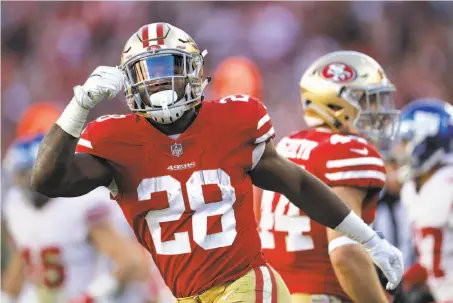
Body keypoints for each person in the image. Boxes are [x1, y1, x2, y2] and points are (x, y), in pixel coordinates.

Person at [30, 23, 403, 302]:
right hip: (187, 295)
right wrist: (79, 106)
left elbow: (299, 185)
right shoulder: (115, 141)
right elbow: (47, 179)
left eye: (169, 67)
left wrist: (368, 238)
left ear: (193, 68)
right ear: (130, 81)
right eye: (148, 72)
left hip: (248, 283)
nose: (160, 82)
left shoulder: (234, 121)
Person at [257, 50, 400, 303]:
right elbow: (344, 252)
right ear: (336, 106)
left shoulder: (289, 144)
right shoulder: (351, 152)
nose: (377, 111)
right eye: (367, 101)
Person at [1, 134, 147, 303]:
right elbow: (21, 260)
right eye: (23, 175)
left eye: (37, 172)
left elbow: (131, 264)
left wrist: (90, 297)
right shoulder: (16, 206)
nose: (31, 181)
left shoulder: (79, 203)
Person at [396, 99, 453, 302]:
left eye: (406, 141)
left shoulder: (448, 184)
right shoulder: (412, 189)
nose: (400, 150)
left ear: (426, 142)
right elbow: (433, 257)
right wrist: (405, 282)